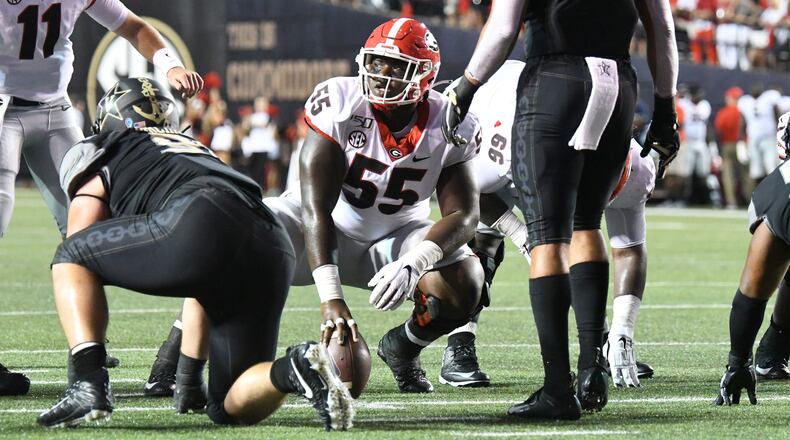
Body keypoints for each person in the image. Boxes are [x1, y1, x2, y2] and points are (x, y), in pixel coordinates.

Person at [35, 77, 353, 430]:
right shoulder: (194, 147)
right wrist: (188, 380)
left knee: (70, 254)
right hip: (270, 238)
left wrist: (84, 360)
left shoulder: (106, 145)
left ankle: (89, 387)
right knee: (230, 407)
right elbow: (204, 278)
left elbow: (81, 242)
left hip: (200, 216)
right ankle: (295, 367)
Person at [442, 0, 679, 419]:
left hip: (555, 80)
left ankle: (557, 390)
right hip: (619, 83)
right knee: (587, 224)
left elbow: (502, 30)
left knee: (549, 236)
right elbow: (662, 28)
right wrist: (665, 111)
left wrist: (466, 86)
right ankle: (593, 366)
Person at [264, 17, 484, 394]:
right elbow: (317, 208)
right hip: (317, 233)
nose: (381, 75)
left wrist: (416, 262)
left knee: (468, 279)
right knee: (242, 231)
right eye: (376, 63)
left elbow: (464, 215)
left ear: (425, 75)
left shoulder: (450, 122)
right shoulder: (341, 101)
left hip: (395, 244)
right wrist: (331, 298)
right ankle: (179, 357)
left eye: (396, 67)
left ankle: (403, 346)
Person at [0, 0, 202, 394]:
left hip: (55, 108)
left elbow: (133, 26)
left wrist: (170, 66)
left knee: (90, 227)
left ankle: (86, 340)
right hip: (2, 104)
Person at [714, 111, 790, 406]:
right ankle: (771, 353)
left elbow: (751, 292)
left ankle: (761, 358)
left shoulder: (775, 187)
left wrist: (737, 363)